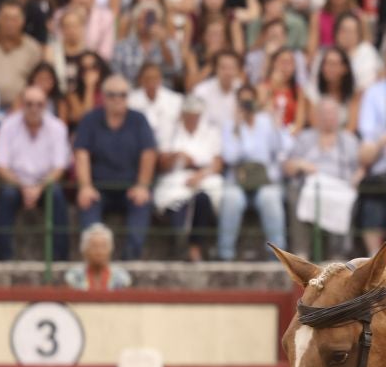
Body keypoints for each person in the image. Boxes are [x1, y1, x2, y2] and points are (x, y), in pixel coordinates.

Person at [72, 73, 155, 258]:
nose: (117, 99)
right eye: (112, 94)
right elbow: (81, 154)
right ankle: (92, 264)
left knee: (139, 221)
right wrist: (85, 186)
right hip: (98, 189)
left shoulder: (139, 120)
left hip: (131, 188)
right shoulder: (90, 120)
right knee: (91, 228)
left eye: (123, 95)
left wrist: (142, 185)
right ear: (103, 97)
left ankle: (130, 264)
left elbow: (148, 153)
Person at [0, 82, 69, 259]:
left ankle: (60, 259)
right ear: (21, 104)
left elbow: (59, 168)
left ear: (46, 105)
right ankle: (3, 258)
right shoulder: (8, 126)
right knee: (7, 195)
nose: (34, 108)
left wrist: (38, 188)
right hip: (16, 182)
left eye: (39, 104)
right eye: (29, 104)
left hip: (45, 183)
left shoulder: (58, 127)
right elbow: (0, 166)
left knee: (56, 194)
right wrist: (23, 187)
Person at [283, 96, 361, 255]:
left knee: (346, 198)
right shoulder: (304, 138)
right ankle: (301, 253)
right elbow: (288, 167)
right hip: (309, 189)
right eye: (324, 113)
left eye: (332, 113)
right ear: (316, 116)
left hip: (339, 189)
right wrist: (301, 164)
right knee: (294, 193)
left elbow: (360, 168)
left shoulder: (349, 140)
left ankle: (338, 255)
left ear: (339, 117)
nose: (328, 118)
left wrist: (356, 179)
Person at [217, 81, 285, 259]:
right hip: (237, 180)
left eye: (250, 101)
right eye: (243, 102)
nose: (247, 106)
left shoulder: (266, 122)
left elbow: (280, 149)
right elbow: (231, 157)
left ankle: (278, 257)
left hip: (263, 180)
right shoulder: (229, 125)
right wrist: (237, 129)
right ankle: (226, 255)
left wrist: (275, 122)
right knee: (232, 200)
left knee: (270, 198)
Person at [152, 94, 223, 260]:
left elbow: (217, 163)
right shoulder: (171, 131)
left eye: (196, 114)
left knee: (204, 198)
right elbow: (161, 163)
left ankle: (194, 246)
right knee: (176, 201)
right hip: (176, 178)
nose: (192, 118)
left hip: (204, 177)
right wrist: (177, 156)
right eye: (189, 114)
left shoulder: (210, 132)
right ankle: (180, 243)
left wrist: (200, 174)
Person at [64, 221, 129, 290]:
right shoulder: (72, 277)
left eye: (103, 246)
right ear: (85, 250)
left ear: (110, 249)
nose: (99, 252)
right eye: (94, 246)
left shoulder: (121, 277)